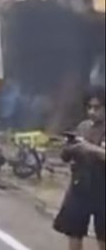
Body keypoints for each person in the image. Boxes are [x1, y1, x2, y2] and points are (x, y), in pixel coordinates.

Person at [54, 89, 106, 250]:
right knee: (74, 231)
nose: (92, 112)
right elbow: (65, 157)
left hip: (103, 189)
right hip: (80, 186)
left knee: (103, 235)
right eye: (89, 107)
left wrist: (88, 148)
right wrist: (69, 147)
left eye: (97, 108)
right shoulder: (83, 127)